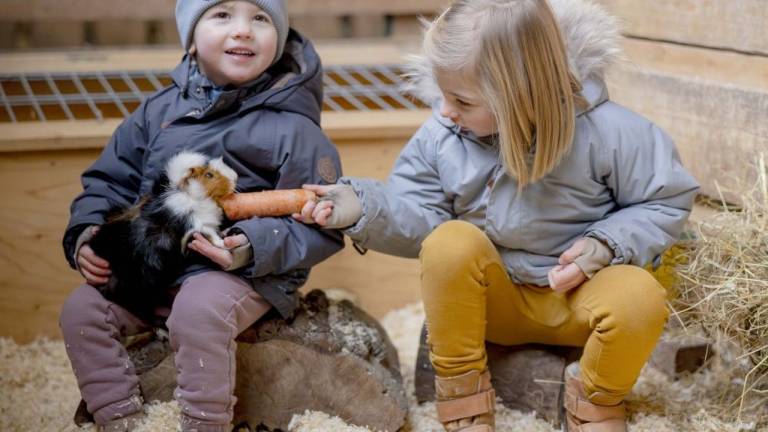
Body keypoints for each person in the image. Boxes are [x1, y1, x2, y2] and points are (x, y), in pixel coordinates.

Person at [295, 0, 699, 431]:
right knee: (451, 241)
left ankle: (596, 401)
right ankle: (464, 394)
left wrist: (603, 245)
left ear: (521, 93)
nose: (445, 109)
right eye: (443, 93)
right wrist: (366, 207)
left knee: (640, 294)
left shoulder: (613, 133)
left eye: (461, 100)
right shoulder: (443, 135)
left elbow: (664, 200)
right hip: (492, 302)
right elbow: (419, 216)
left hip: (578, 300)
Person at [59, 1, 344, 431]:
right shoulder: (158, 113)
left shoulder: (294, 128)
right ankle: (118, 417)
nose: (243, 30)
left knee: (198, 307)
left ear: (280, 39)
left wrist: (250, 247)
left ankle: (203, 422)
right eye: (222, 15)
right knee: (80, 310)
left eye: (261, 18)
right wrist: (85, 235)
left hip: (240, 277)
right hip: (148, 270)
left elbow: (322, 222)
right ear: (190, 40)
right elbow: (107, 182)